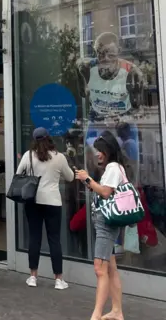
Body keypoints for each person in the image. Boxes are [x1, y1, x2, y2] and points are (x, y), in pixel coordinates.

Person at [75, 131, 127, 320]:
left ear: (108, 150)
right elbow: (105, 191)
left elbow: (106, 192)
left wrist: (87, 179)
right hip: (106, 222)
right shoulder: (115, 167)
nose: (98, 154)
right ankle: (116, 311)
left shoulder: (113, 167)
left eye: (100, 151)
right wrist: (91, 184)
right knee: (110, 268)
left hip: (106, 224)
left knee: (100, 269)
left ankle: (96, 315)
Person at [17, 128, 74, 290]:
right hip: (53, 202)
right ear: (49, 138)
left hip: (32, 201)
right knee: (54, 239)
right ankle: (58, 279)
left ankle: (33, 276)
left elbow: (18, 174)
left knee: (34, 238)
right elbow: (70, 177)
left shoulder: (28, 156)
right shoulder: (59, 157)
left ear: (34, 140)